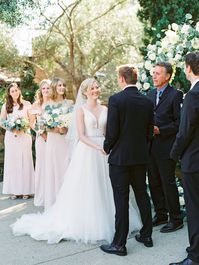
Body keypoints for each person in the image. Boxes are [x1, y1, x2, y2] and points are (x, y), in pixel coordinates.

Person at [11, 78, 142, 244]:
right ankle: (90, 223)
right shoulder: (80, 110)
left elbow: (110, 130)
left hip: (106, 150)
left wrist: (108, 146)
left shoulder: (106, 108)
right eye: (92, 88)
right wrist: (96, 147)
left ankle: (115, 221)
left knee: (108, 186)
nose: (96, 90)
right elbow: (81, 135)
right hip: (88, 151)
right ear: (85, 92)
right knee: (89, 186)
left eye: (97, 87)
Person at [100, 64, 154, 256]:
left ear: (122, 79)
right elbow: (149, 132)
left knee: (121, 200)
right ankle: (147, 235)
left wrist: (106, 147)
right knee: (142, 195)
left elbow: (112, 131)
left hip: (120, 159)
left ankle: (119, 244)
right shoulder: (147, 101)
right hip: (140, 157)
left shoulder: (116, 99)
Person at [170, 52, 199, 265]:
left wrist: (173, 154)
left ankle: (195, 256)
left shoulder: (193, 95)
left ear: (188, 68)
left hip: (194, 161)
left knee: (195, 209)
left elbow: (185, 131)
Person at [147, 62, 183, 233]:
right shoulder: (149, 93)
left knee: (168, 183)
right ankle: (161, 214)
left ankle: (176, 219)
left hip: (166, 146)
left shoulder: (176, 95)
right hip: (150, 147)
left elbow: (179, 123)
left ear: (167, 76)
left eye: (158, 73)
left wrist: (161, 130)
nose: (154, 76)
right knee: (153, 182)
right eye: (153, 73)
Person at [0, 83, 34, 199]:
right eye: (12, 91)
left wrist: (24, 127)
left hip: (24, 136)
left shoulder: (27, 104)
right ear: (9, 93)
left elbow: (31, 121)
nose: (14, 92)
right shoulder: (6, 106)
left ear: (19, 91)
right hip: (11, 137)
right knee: (13, 162)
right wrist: (12, 128)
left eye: (16, 90)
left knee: (25, 161)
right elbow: (2, 122)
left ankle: (27, 190)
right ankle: (14, 190)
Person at [44, 77, 72, 209]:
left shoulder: (70, 103)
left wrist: (65, 128)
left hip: (66, 142)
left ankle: (68, 202)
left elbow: (74, 125)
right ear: (54, 87)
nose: (62, 87)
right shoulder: (47, 105)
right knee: (54, 169)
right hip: (54, 141)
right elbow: (45, 126)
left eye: (63, 85)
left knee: (67, 168)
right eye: (59, 85)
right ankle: (55, 203)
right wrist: (58, 129)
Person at [29, 80, 51, 206]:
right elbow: (32, 123)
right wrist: (41, 132)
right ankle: (43, 195)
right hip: (41, 140)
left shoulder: (54, 103)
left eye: (48, 88)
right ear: (40, 90)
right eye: (44, 88)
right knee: (42, 165)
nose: (46, 90)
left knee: (53, 164)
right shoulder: (36, 105)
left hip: (53, 138)